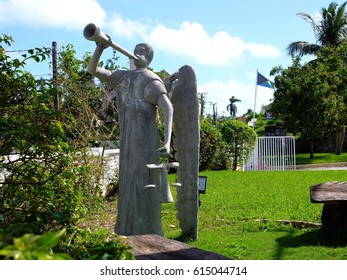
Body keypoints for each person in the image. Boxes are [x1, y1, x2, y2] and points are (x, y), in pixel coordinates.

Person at [87, 39, 173, 236]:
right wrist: (99, 49)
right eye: (136, 50)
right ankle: (126, 231)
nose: (137, 53)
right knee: (128, 185)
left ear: (149, 58)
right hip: (128, 143)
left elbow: (168, 108)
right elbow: (92, 70)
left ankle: (148, 232)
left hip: (145, 143)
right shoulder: (122, 78)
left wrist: (167, 142)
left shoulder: (151, 79)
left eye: (142, 51)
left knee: (144, 185)